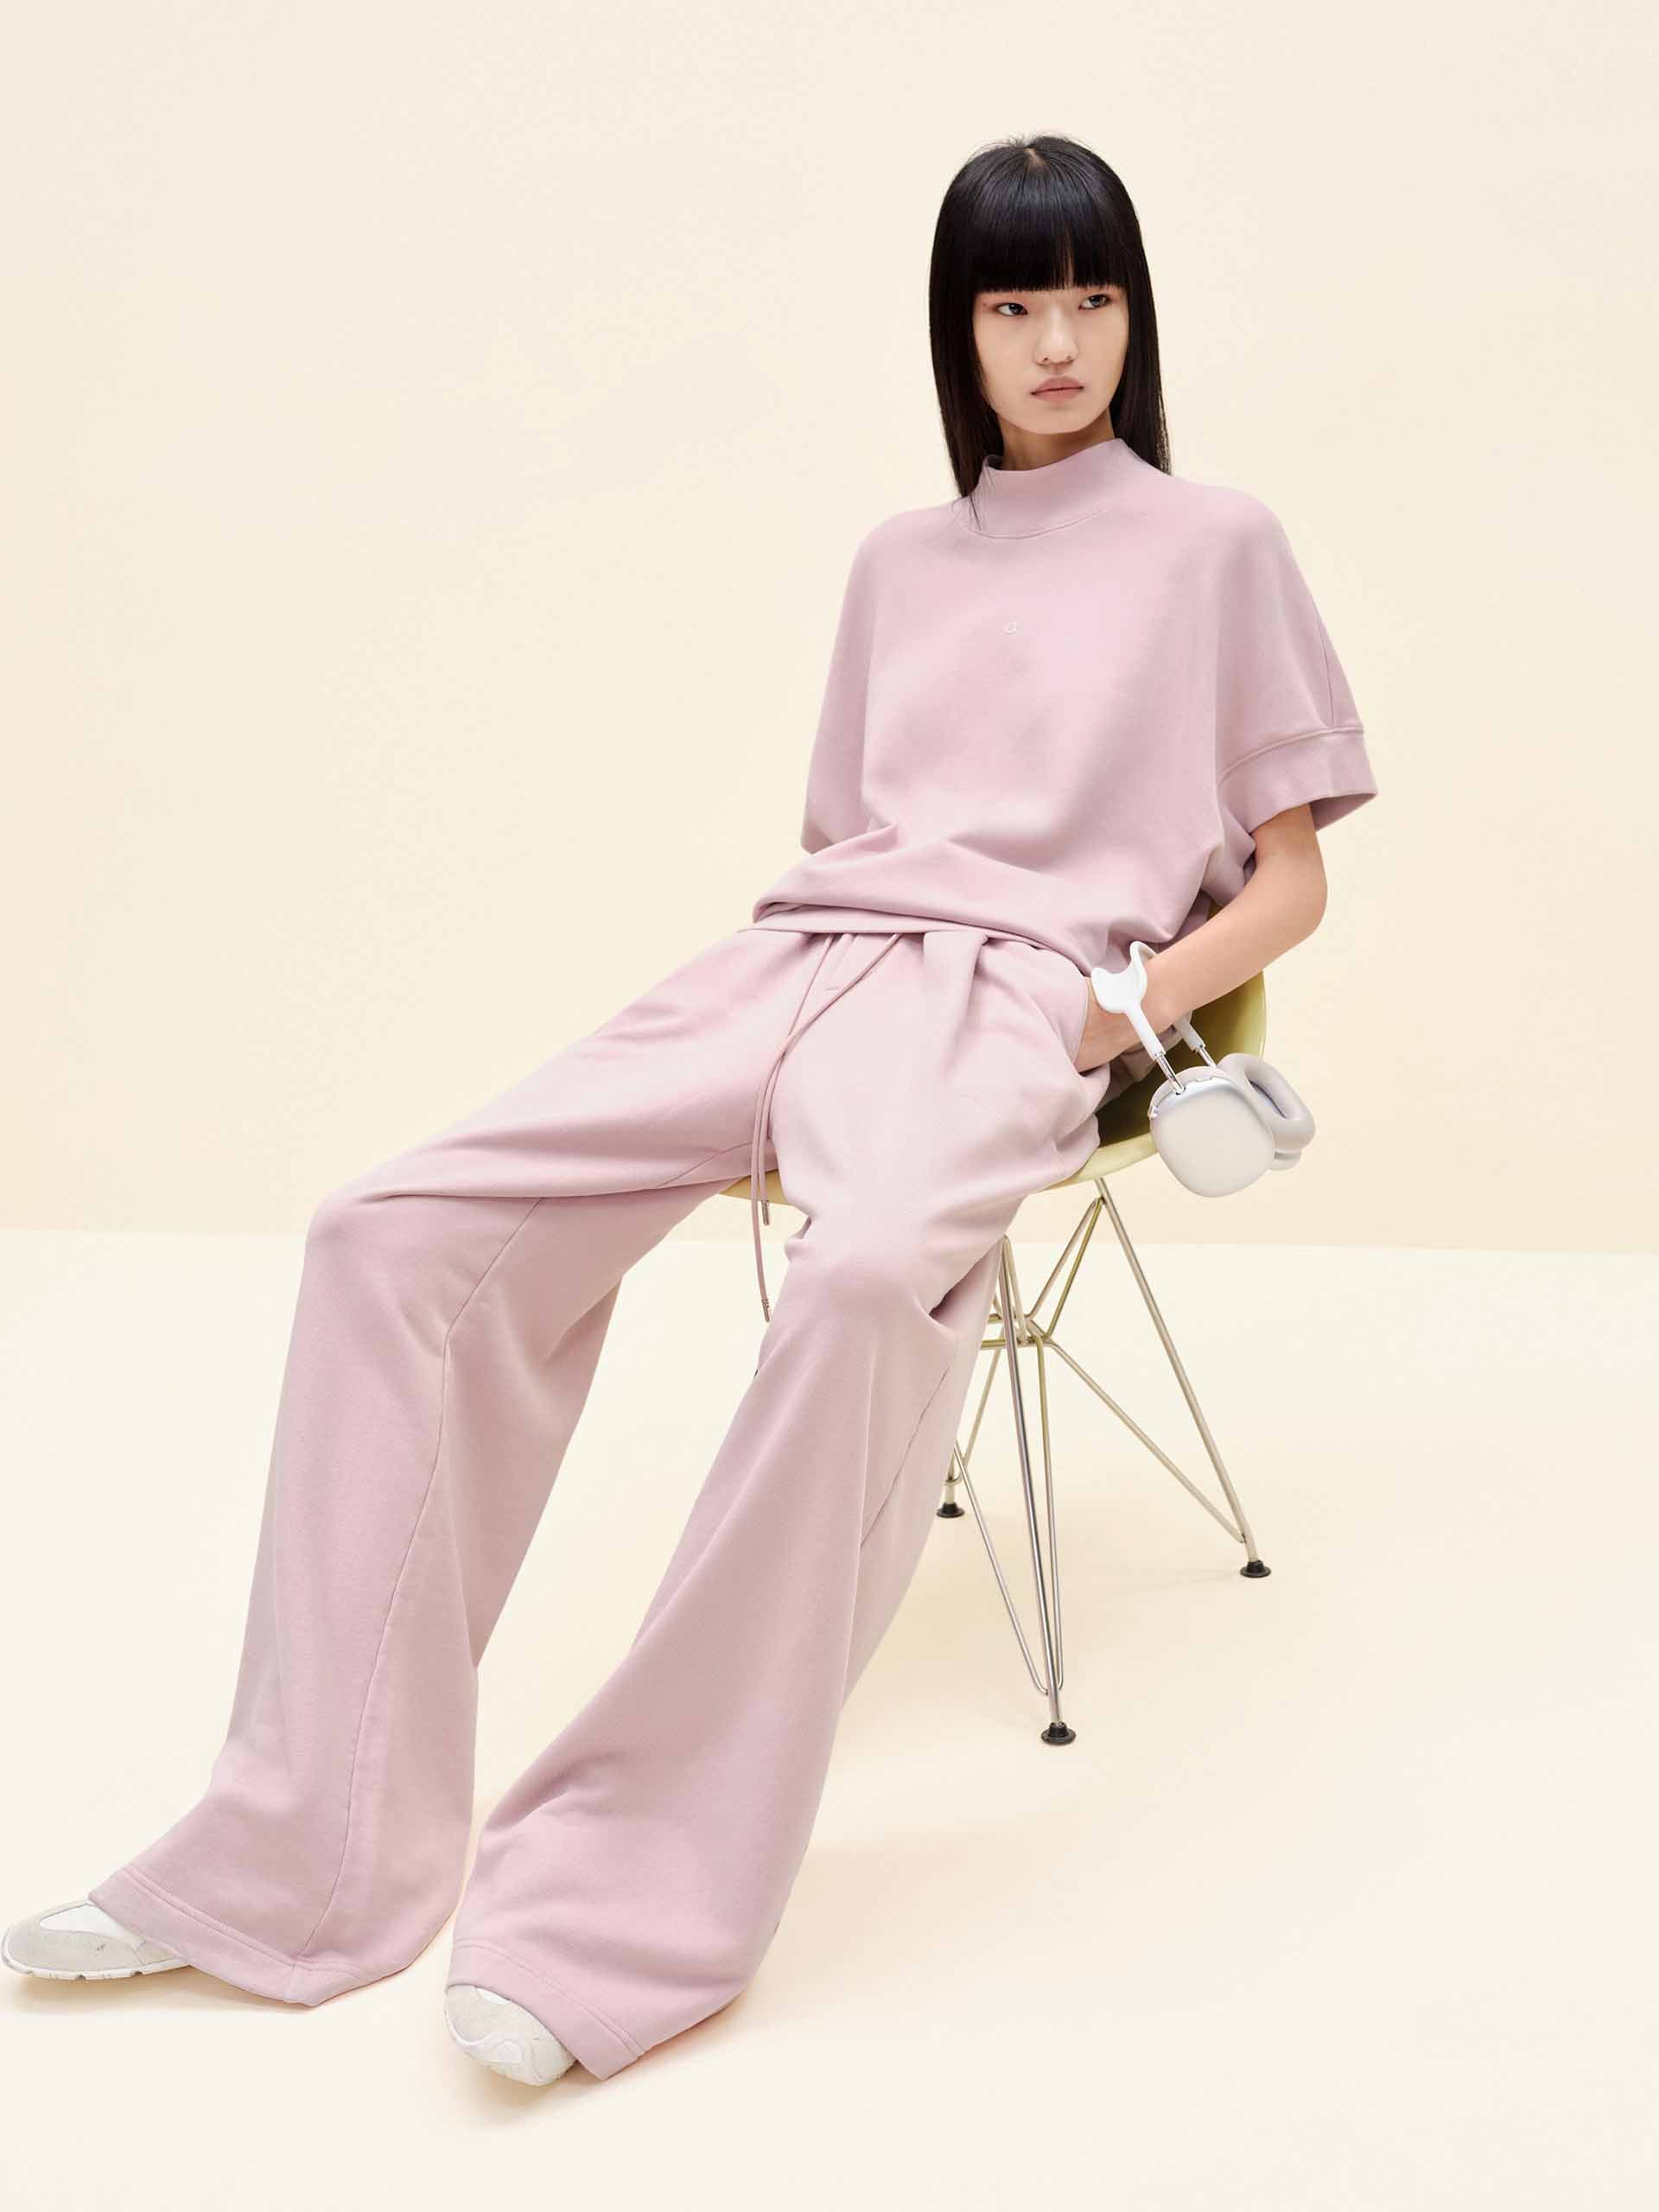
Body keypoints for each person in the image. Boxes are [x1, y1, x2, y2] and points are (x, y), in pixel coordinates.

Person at [4, 133, 1378, 2088]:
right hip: (805, 956)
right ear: (959, 330)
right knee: (388, 1229)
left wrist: (1114, 1011)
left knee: (864, 1280)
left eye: (1092, 297)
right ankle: (291, 1860)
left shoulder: (1218, 543)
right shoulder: (900, 563)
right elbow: (849, 830)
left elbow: (1289, 882)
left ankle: (619, 1899)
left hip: (1021, 998)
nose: (1058, 342)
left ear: (1135, 314)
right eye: (1013, 303)